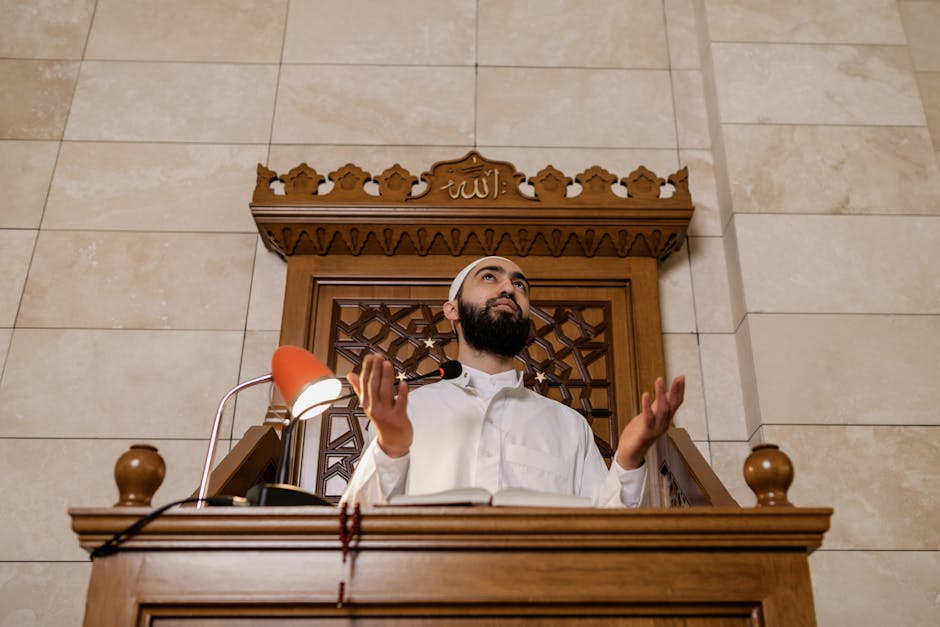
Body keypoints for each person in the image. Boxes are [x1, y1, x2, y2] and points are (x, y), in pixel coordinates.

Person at [340, 256, 685, 507]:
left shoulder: (568, 425)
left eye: (519, 284)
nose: (509, 287)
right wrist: (392, 448)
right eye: (489, 278)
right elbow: (356, 523)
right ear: (452, 309)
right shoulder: (405, 412)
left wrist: (627, 459)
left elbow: (608, 537)